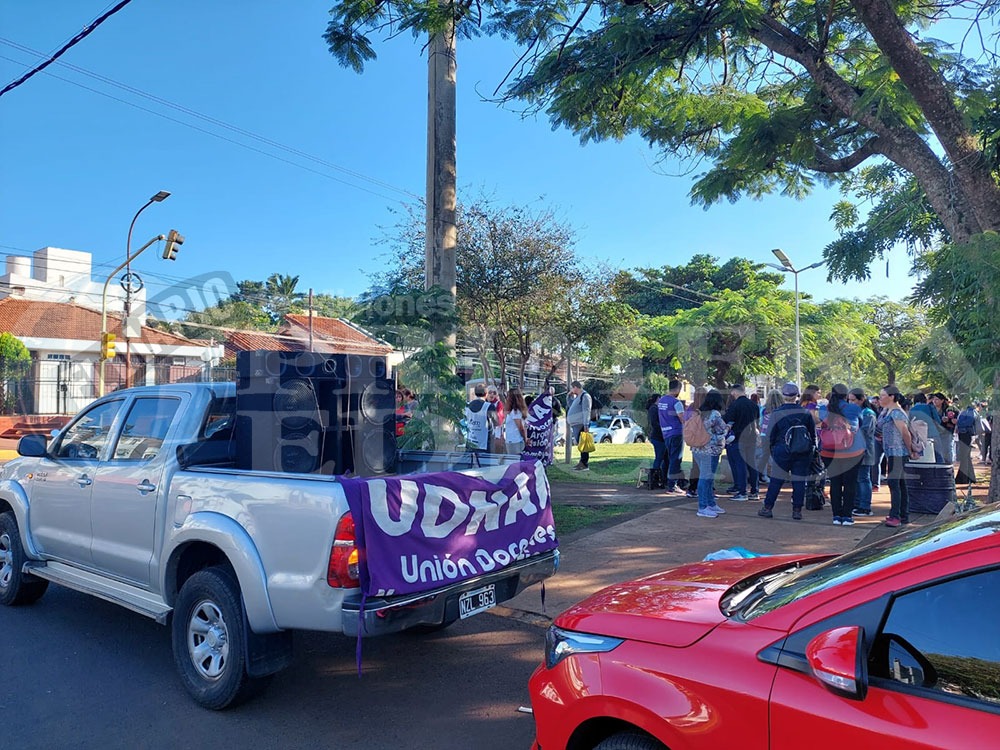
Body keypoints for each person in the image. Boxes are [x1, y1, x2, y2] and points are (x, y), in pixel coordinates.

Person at [758, 382, 816, 521]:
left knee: (776, 481)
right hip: (802, 451)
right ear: (797, 395)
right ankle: (797, 510)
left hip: (781, 450)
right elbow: (812, 434)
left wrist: (773, 449)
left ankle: (768, 507)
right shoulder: (805, 413)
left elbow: (770, 435)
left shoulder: (777, 413)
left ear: (783, 396)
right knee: (799, 481)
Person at [818, 384, 865, 526]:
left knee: (835, 483)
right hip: (852, 451)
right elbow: (859, 425)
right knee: (850, 484)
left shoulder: (823, 409)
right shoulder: (854, 408)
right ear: (846, 395)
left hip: (829, 451)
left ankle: (836, 516)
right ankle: (847, 516)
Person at [878, 385, 920, 527]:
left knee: (894, 483)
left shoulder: (896, 412)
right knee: (899, 483)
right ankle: (902, 514)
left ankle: (896, 515)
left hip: (898, 452)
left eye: (883, 396)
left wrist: (910, 450)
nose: (880, 398)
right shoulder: (888, 411)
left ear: (892, 397)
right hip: (891, 451)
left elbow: (905, 433)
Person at [690, 389, 730, 518]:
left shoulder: (699, 412)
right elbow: (722, 430)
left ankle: (710, 503)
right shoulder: (715, 414)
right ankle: (703, 507)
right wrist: (729, 426)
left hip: (697, 449)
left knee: (707, 478)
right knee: (706, 478)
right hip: (710, 450)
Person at [722, 384, 760, 501]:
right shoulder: (754, 405)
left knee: (740, 464)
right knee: (752, 464)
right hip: (752, 437)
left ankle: (742, 491)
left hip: (739, 438)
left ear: (734, 392)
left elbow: (727, 420)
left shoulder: (735, 405)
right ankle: (754, 490)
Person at [657, 380, 687, 494]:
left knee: (670, 458)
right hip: (676, 433)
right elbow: (682, 419)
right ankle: (672, 485)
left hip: (666, 433)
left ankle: (669, 482)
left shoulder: (661, 401)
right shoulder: (676, 403)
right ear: (678, 389)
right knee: (676, 459)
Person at [851, 388, 876, 517]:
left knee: (863, 478)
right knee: (857, 478)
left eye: (853, 400)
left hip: (864, 450)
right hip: (855, 449)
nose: (851, 403)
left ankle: (865, 506)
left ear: (861, 399)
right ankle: (857, 503)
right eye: (849, 400)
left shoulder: (868, 414)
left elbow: (864, 431)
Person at [683, 387, 709, 498]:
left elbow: (685, 420)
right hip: (705, 441)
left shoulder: (691, 408)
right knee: (707, 467)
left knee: (696, 466)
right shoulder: (707, 409)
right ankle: (707, 489)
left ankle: (692, 488)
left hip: (694, 441)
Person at [566, 380, 593, 471]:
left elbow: (586, 411)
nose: (571, 390)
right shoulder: (578, 397)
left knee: (583, 445)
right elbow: (571, 406)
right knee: (581, 445)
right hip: (576, 424)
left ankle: (584, 464)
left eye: (572, 388)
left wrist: (586, 424)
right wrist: (568, 397)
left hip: (581, 424)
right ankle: (581, 462)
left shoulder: (585, 396)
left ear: (575, 387)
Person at [464, 383, 498, 454]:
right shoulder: (489, 406)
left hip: (470, 441)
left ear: (475, 393)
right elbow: (496, 422)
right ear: (486, 393)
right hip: (484, 443)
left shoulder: (467, 406)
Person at [955, 402, 980, 485]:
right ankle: (969, 477)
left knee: (964, 456)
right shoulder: (967, 411)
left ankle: (964, 478)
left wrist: (957, 422)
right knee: (966, 457)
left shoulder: (970, 412)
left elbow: (968, 422)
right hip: (964, 434)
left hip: (966, 434)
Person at [645, 393, 666, 489]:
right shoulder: (654, 408)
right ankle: (654, 478)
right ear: (658, 399)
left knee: (661, 458)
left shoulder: (654, 408)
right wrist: (663, 429)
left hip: (657, 436)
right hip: (658, 437)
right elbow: (655, 423)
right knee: (659, 458)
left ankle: (659, 477)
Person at [932, 392, 957, 465]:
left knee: (947, 449)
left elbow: (955, 420)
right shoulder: (931, 409)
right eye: (934, 399)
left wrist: (949, 420)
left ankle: (949, 465)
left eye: (937, 399)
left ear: (942, 400)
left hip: (946, 432)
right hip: (935, 433)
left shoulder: (949, 409)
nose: (934, 401)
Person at [502, 387, 528, 457]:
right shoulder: (514, 411)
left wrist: (525, 439)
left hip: (514, 441)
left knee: (514, 461)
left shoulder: (515, 412)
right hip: (513, 441)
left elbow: (521, 428)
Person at [486, 385, 506, 453]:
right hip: (485, 429)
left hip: (496, 429)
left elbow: (500, 419)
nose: (492, 394)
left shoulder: (498, 404)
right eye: (490, 392)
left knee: (497, 448)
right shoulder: (483, 403)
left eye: (494, 393)